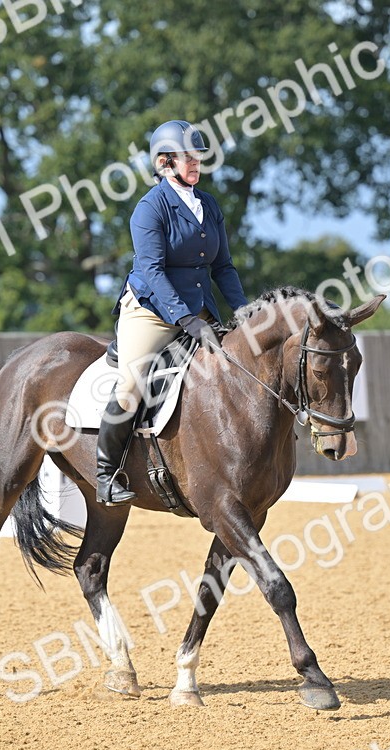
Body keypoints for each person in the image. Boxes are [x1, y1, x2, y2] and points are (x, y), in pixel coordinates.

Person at [95, 119, 250, 506]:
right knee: (131, 385)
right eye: (187, 157)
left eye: (198, 156)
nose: (196, 163)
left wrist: (247, 313)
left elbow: (223, 268)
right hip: (151, 311)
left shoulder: (209, 205)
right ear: (165, 163)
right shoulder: (150, 208)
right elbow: (152, 270)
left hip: (199, 310)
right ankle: (105, 473)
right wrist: (185, 319)